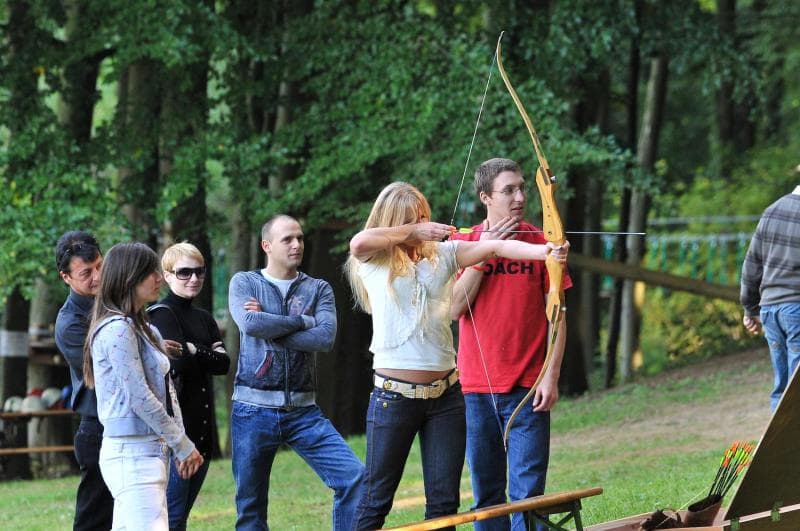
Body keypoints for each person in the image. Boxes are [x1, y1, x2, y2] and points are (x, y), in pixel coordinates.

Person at [345, 181, 567, 530]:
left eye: (423, 216)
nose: (424, 225)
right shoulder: (375, 261)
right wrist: (413, 231)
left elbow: (495, 246)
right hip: (394, 397)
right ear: (395, 222)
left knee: (445, 504)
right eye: (412, 219)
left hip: (446, 398)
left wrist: (546, 253)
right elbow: (359, 241)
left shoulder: (444, 255)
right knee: (376, 499)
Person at [449, 158, 572, 531]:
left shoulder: (544, 241)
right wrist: (487, 252)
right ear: (486, 197)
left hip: (528, 388)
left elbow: (558, 315)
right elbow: (455, 307)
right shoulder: (464, 243)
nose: (520, 197)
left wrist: (550, 377)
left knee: (529, 496)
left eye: (522, 188)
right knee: (486, 497)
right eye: (509, 190)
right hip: (475, 390)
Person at [227, 214, 365, 531]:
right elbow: (250, 325)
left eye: (300, 238)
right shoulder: (245, 283)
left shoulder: (318, 289)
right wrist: (304, 321)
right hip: (252, 409)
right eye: (287, 239)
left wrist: (270, 324)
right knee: (250, 508)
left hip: (304, 411)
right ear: (267, 245)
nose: (297, 244)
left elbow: (325, 338)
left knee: (354, 477)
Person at [83, 242, 204, 529]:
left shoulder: (143, 328)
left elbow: (164, 389)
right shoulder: (117, 329)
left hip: (148, 451)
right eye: (151, 272)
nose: (159, 278)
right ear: (130, 278)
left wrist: (176, 442)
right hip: (132, 455)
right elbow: (140, 396)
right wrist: (182, 443)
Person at [149, 242, 230, 530]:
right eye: (184, 272)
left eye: (199, 272)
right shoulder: (160, 315)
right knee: (171, 519)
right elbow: (178, 363)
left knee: (179, 518)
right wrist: (202, 353)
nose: (193, 279)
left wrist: (194, 349)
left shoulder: (204, 318)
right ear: (167, 275)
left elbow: (224, 365)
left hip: (204, 436)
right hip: (177, 438)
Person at [54, 230, 114, 530]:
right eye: (86, 272)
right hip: (97, 428)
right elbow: (107, 372)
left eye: (100, 266)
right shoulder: (70, 324)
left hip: (125, 423)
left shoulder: (116, 301)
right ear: (66, 277)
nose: (97, 277)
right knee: (94, 521)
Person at [741, 185, 800, 411]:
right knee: (797, 387)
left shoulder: (771, 211)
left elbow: (751, 266)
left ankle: (778, 444)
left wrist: (750, 309)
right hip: (796, 307)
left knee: (783, 386)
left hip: (770, 310)